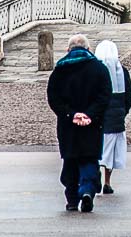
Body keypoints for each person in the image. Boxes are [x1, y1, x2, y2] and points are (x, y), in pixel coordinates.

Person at [46, 34, 113, 213]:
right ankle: (87, 190)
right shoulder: (99, 68)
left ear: (68, 50)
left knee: (70, 160)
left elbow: (53, 98)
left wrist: (71, 114)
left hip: (68, 125)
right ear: (88, 49)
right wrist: (90, 114)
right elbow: (105, 95)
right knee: (89, 158)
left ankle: (72, 199)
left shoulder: (60, 69)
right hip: (92, 123)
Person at [94, 40, 131, 195]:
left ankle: (96, 173)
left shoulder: (95, 71)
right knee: (111, 152)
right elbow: (129, 94)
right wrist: (123, 111)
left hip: (99, 118)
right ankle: (108, 181)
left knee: (98, 148)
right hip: (117, 118)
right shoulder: (122, 71)